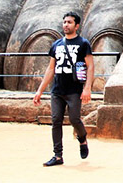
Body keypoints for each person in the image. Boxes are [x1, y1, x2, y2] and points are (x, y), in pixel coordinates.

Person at [33, 11, 94, 167]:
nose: (66, 25)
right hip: (57, 90)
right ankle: (58, 155)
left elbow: (90, 66)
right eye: (65, 22)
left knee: (74, 119)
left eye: (69, 22)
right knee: (56, 120)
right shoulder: (57, 45)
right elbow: (50, 69)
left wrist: (87, 88)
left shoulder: (83, 43)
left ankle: (82, 138)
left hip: (74, 89)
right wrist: (40, 90)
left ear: (76, 26)